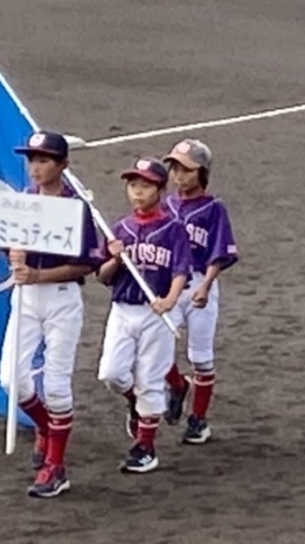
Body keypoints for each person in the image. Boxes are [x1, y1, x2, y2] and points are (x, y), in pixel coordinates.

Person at [0, 130, 100, 498]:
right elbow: (6, 244)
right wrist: (13, 255)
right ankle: (46, 426)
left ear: (62, 164)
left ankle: (55, 467)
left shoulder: (76, 208)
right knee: (11, 379)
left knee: (56, 385)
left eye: (43, 160)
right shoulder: (23, 202)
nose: (35, 168)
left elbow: (86, 263)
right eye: (32, 160)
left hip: (60, 299)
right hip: (26, 298)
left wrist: (38, 275)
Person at [96, 157, 191, 473]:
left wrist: (170, 300)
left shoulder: (173, 229)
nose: (137, 192)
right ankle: (135, 402)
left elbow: (180, 271)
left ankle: (145, 448)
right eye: (133, 185)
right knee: (111, 374)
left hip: (156, 313)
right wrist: (115, 259)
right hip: (122, 309)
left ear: (160, 190)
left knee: (150, 378)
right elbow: (103, 277)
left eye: (145, 186)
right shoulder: (120, 229)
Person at [160, 138, 239, 444]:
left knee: (201, 357)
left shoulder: (213, 208)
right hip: (169, 285)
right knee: (157, 348)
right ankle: (178, 385)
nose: (179, 176)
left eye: (186, 170)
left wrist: (206, 286)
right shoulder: (165, 205)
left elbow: (219, 251)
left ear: (202, 173)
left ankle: (198, 419)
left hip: (198, 283)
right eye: (175, 169)